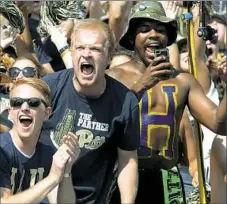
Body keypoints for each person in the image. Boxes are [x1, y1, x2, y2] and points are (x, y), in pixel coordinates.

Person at [106, 1, 227, 203]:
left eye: (160, 29)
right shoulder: (112, 77)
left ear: (168, 38)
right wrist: (140, 86)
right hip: (122, 177)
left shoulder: (184, 80)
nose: (153, 34)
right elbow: (104, 125)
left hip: (168, 181)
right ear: (132, 38)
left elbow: (219, 124)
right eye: (144, 30)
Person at [40, 19, 139, 204]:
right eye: (80, 48)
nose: (86, 54)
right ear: (71, 51)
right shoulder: (49, 87)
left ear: (109, 57)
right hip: (43, 194)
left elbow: (128, 160)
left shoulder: (125, 101)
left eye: (95, 49)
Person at [0, 78, 80, 203]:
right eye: (17, 102)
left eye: (33, 102)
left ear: (47, 113)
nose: (24, 107)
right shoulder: (2, 150)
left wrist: (66, 172)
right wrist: (53, 177)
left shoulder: (49, 154)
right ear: (10, 112)